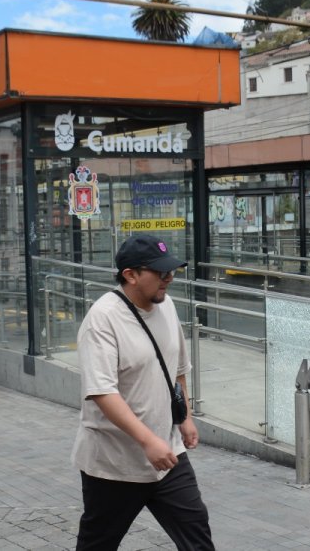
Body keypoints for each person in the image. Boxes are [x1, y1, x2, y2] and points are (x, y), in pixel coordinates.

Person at [71, 234, 213, 550]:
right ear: (130, 275)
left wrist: (185, 417)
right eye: (160, 272)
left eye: (171, 271)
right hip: (114, 463)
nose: (169, 278)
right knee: (98, 544)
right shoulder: (103, 318)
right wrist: (147, 441)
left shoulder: (167, 305)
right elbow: (102, 392)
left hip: (168, 454)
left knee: (197, 538)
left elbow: (176, 368)